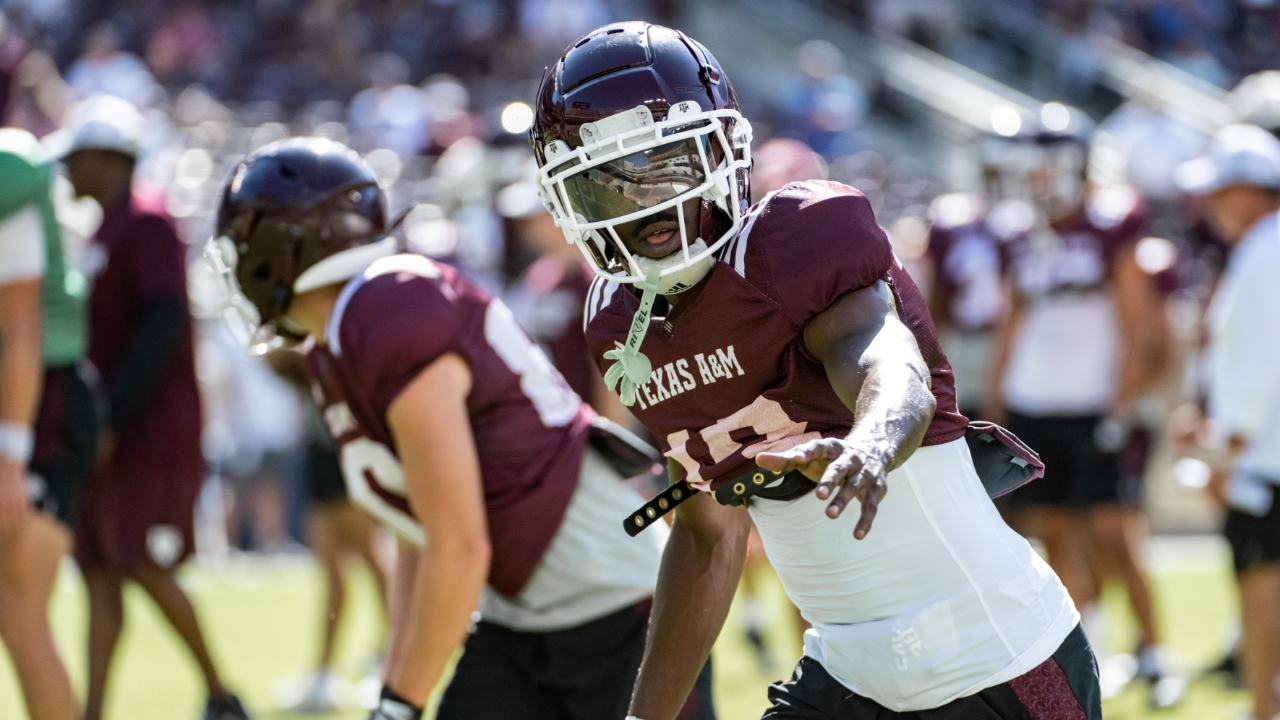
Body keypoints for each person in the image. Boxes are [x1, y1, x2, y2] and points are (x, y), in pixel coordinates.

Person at [532, 22, 1097, 720]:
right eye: (608, 186)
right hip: (849, 678)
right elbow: (709, 534)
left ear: (720, 148)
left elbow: (887, 361)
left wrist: (871, 443)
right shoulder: (621, 328)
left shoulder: (790, 243)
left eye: (665, 164)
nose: (645, 204)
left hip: (996, 662)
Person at [209, 137, 715, 720]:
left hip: (614, 603)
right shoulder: (335, 348)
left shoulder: (390, 308)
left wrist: (401, 705)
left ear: (285, 245)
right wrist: (393, 693)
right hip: (515, 615)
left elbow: (459, 544)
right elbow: (417, 536)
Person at [50, 95, 249, 720]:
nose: (68, 172)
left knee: (145, 564)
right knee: (101, 572)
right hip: (110, 434)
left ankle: (222, 695)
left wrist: (111, 416)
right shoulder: (106, 230)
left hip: (148, 434)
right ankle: (94, 712)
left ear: (108, 159)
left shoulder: (148, 223)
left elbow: (161, 325)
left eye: (78, 158)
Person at [980, 105, 1178, 705]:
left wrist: (1120, 406)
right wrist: (998, 407)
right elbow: (1009, 330)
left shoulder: (1111, 224)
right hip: (1036, 405)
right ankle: (1086, 639)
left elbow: (1139, 328)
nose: (1036, 178)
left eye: (1045, 166)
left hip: (1094, 407)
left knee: (1114, 532)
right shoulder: (1019, 232)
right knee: (1053, 531)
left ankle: (1153, 652)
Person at [1174, 123, 1280, 720]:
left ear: (1247, 189)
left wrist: (1225, 442)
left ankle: (1263, 708)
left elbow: (1264, 355)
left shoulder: (1266, 248)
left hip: (1263, 456)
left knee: (1260, 579)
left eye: (1219, 190)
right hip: (1265, 450)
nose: (1209, 205)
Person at [0, 126, 92, 720]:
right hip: (28, 404)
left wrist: (10, 456)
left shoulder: (10, 168)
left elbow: (21, 327)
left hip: (37, 405)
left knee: (18, 606)